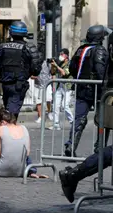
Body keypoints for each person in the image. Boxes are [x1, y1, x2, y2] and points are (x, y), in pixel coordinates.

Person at [64, 25, 110, 157]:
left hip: (81, 88)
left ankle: (71, 145)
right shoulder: (100, 50)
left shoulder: (80, 49)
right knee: (103, 119)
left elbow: (72, 68)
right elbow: (101, 72)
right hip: (97, 90)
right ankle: (99, 148)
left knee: (79, 119)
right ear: (100, 37)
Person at [0, 21, 42, 119]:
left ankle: (6, 130)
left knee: (8, 109)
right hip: (19, 85)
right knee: (11, 114)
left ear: (11, 33)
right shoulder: (29, 48)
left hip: (5, 84)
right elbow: (36, 68)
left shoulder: (1, 47)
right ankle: (6, 132)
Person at [47, 48, 74, 130]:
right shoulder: (60, 63)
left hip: (68, 87)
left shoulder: (70, 63)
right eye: (60, 54)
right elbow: (53, 73)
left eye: (62, 54)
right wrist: (53, 66)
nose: (60, 56)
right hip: (60, 86)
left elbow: (64, 73)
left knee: (64, 105)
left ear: (66, 55)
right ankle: (56, 124)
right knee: (56, 105)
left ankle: (72, 122)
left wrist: (57, 66)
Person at [31, 53, 53, 124]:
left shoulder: (47, 64)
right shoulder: (34, 64)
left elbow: (52, 73)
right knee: (38, 102)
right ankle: (40, 117)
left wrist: (53, 64)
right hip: (38, 85)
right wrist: (37, 77)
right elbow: (31, 76)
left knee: (48, 99)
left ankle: (49, 112)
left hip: (47, 84)